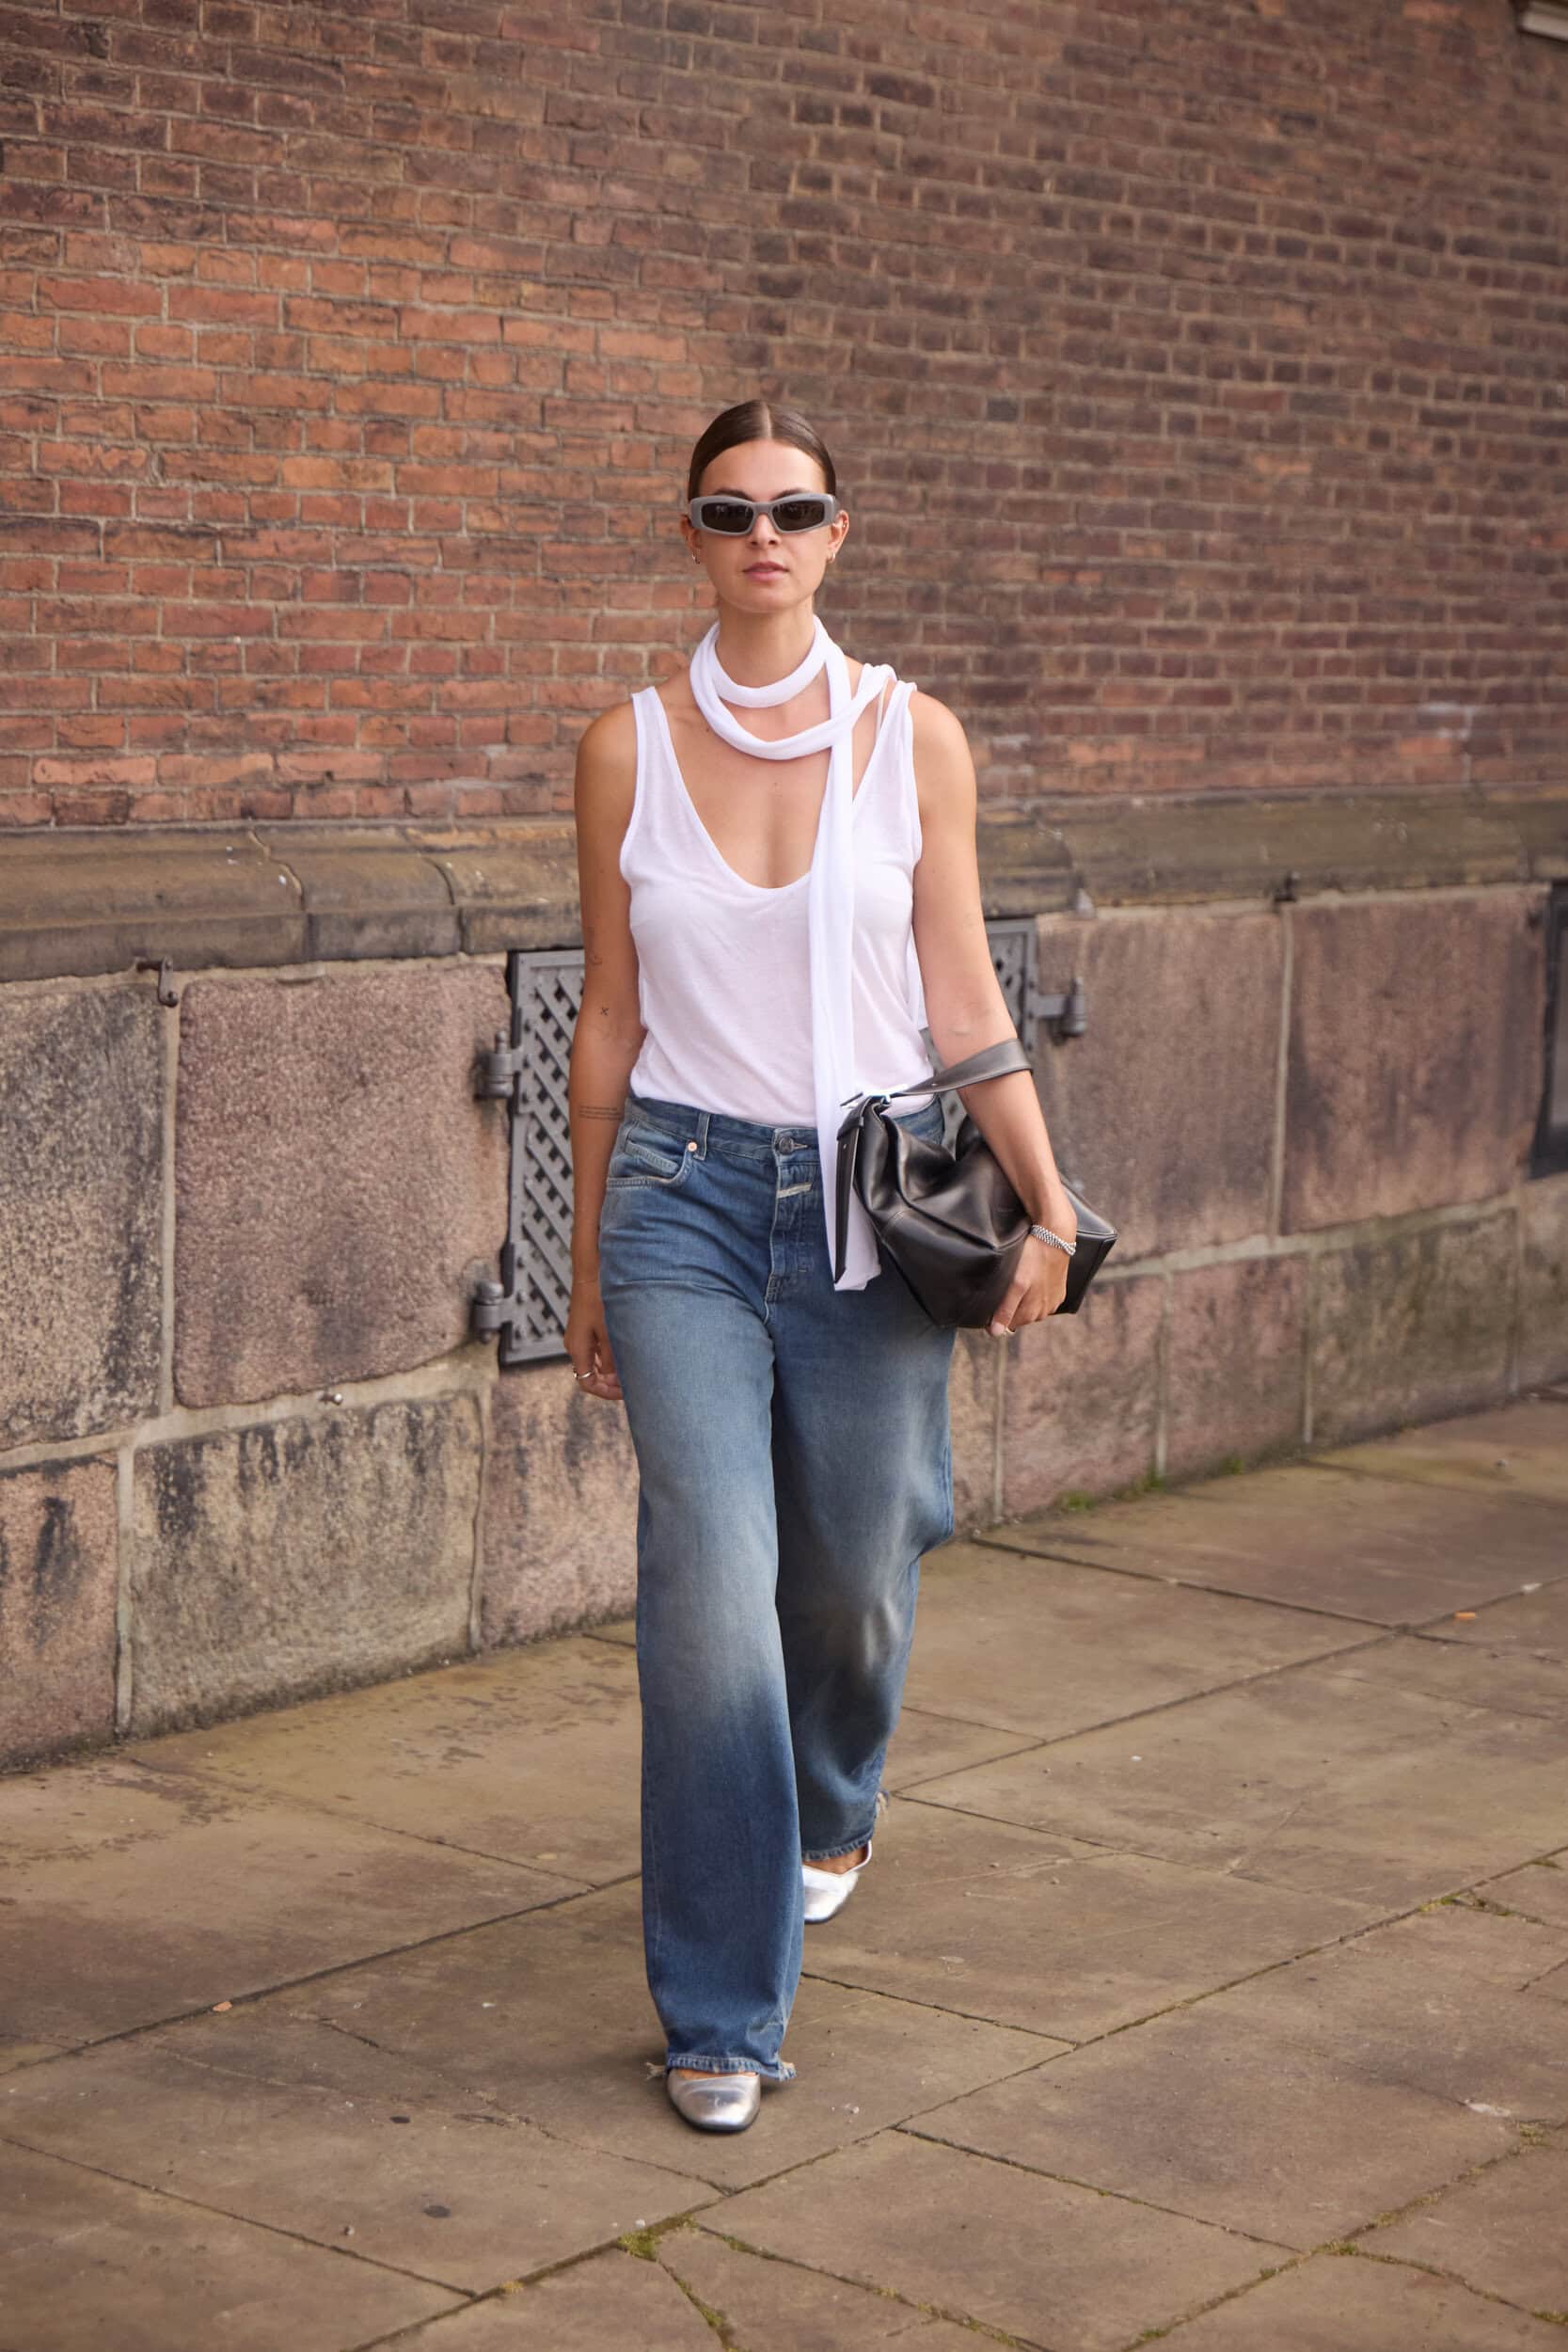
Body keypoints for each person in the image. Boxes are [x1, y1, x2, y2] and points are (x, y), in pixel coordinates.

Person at [565, 398, 1079, 2134]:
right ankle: (722, 2012)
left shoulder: (912, 737)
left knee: (855, 1569)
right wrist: (584, 1260)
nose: (762, 538)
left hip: (870, 1206)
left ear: (838, 534)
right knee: (711, 1589)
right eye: (729, 513)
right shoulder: (624, 749)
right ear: (692, 538)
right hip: (682, 1205)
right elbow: (609, 1021)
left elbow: (962, 994)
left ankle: (833, 1801)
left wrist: (1050, 1202)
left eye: (792, 511)